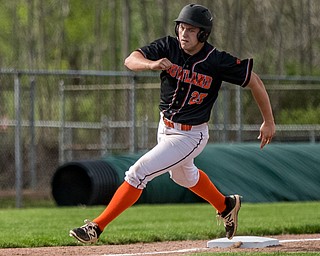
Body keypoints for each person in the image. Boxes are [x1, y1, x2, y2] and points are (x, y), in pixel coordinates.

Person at [69, 3, 275, 244]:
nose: (183, 34)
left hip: (191, 135)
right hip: (165, 127)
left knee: (137, 173)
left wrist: (268, 121)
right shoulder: (168, 46)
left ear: (203, 34)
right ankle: (226, 204)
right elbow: (130, 60)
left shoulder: (216, 60)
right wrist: (151, 64)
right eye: (181, 28)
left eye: (190, 30)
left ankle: (96, 227)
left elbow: (255, 82)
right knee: (183, 178)